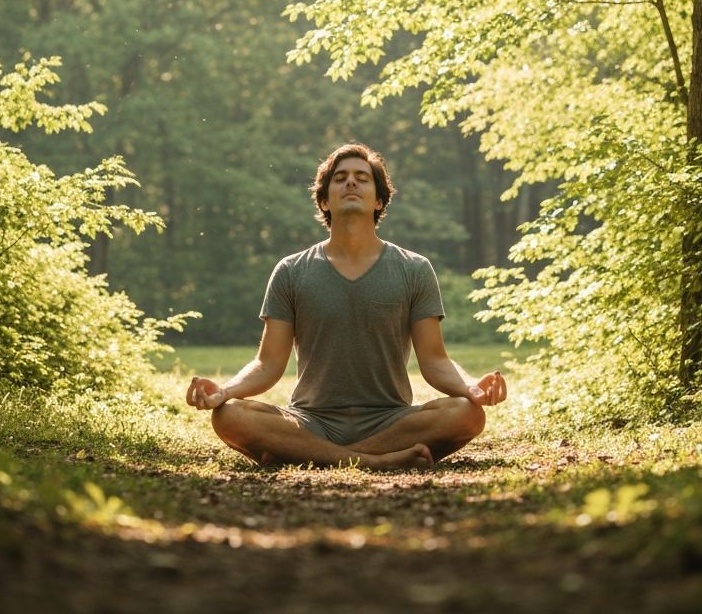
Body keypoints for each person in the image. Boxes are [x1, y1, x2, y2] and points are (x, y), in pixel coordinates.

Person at [186, 142, 508, 469]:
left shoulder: (414, 269)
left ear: (379, 200)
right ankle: (375, 460)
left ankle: (306, 454)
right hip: (310, 420)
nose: (351, 182)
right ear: (324, 201)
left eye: (362, 178)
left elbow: (435, 360)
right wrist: (224, 391)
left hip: (390, 420)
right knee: (229, 415)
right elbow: (267, 364)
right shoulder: (291, 271)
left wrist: (471, 386)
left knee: (467, 413)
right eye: (339, 178)